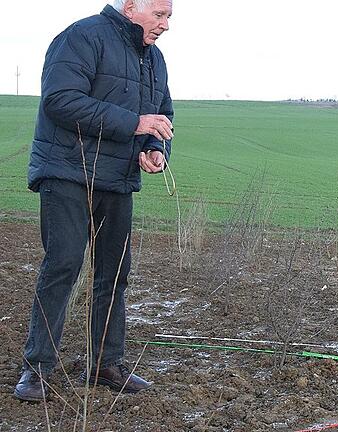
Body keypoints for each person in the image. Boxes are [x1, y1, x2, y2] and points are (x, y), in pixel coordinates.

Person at [14, 0, 174, 402]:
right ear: (131, 6)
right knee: (62, 267)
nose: (165, 25)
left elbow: (160, 114)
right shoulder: (81, 36)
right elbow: (60, 100)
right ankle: (37, 369)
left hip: (117, 179)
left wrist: (153, 148)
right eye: (159, 14)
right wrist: (134, 124)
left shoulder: (154, 59)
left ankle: (104, 363)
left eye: (169, 16)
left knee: (114, 273)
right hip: (68, 172)